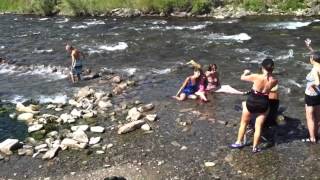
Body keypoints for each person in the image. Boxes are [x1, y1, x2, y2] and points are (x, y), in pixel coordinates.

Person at [230, 58, 278, 153]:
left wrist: (245, 72)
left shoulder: (256, 76)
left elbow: (242, 78)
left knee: (244, 123)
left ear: (262, 67)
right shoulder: (275, 80)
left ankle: (239, 142)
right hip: (263, 104)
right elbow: (271, 87)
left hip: (252, 102)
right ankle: (255, 148)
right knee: (258, 126)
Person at [302, 38, 320, 143]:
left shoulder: (314, 70)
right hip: (319, 95)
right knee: (318, 116)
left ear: (313, 60)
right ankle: (317, 134)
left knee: (310, 117)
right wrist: (309, 46)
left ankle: (312, 138)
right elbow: (315, 54)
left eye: (311, 57)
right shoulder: (319, 64)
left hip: (311, 95)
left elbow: (317, 82)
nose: (310, 58)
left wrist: (312, 85)